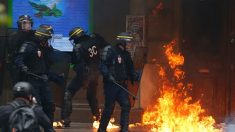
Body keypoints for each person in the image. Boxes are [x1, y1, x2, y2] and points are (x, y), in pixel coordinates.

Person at [61, 27, 108, 127]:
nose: (74, 41)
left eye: (74, 39)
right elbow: (106, 46)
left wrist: (83, 80)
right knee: (91, 96)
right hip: (95, 74)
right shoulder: (95, 39)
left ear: (77, 37)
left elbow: (78, 65)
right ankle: (98, 118)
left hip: (84, 75)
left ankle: (65, 119)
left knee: (68, 93)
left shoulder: (78, 47)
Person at [14, 24, 56, 123]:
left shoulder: (44, 48)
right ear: (41, 37)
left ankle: (48, 127)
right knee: (37, 106)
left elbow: (48, 62)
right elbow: (18, 59)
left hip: (43, 80)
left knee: (49, 104)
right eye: (46, 39)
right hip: (33, 80)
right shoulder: (28, 46)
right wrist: (23, 67)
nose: (47, 41)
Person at [98, 32, 139, 132]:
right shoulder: (111, 51)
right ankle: (102, 129)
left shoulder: (126, 54)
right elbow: (102, 65)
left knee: (126, 104)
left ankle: (124, 129)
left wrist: (135, 76)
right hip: (111, 85)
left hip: (122, 85)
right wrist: (108, 75)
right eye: (128, 42)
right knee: (109, 107)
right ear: (122, 42)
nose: (130, 44)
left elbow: (130, 68)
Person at [7, 15, 35, 84]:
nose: (28, 25)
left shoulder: (34, 35)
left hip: (30, 67)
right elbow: (13, 51)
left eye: (29, 23)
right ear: (20, 24)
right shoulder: (15, 36)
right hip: (17, 66)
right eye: (25, 23)